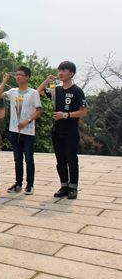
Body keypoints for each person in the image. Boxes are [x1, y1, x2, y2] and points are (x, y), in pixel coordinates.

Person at [37, 61, 87, 199]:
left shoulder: (77, 91)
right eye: (60, 71)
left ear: (71, 73)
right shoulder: (56, 90)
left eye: (64, 71)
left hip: (70, 131)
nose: (61, 73)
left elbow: (83, 112)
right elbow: (39, 91)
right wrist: (47, 80)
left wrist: (66, 115)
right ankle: (64, 185)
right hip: (56, 130)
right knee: (60, 160)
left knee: (71, 159)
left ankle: (73, 187)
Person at [0, 66, 43, 195]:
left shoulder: (33, 93)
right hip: (14, 129)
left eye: (20, 75)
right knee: (17, 159)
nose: (17, 77)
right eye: (16, 74)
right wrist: (4, 81)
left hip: (27, 131)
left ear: (27, 77)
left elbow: (39, 110)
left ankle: (30, 184)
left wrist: (27, 120)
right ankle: (18, 183)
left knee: (28, 159)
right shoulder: (12, 92)